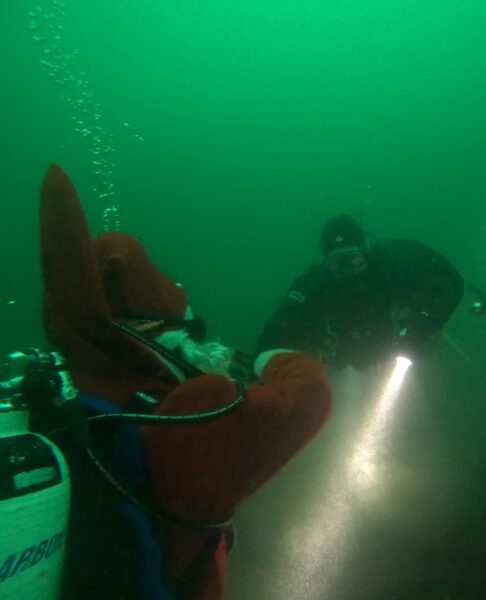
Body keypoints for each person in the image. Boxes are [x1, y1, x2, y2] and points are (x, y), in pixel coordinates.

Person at [39, 163, 333, 600]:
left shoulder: (56, 396)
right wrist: (271, 357)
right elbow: (311, 395)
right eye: (190, 328)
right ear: (159, 330)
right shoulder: (196, 409)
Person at [257, 214, 464, 370]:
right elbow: (280, 326)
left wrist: (426, 325)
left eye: (353, 258)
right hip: (348, 364)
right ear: (325, 262)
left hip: (407, 349)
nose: (346, 269)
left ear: (364, 252)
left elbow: (451, 280)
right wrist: (261, 365)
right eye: (336, 261)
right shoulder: (314, 285)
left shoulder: (392, 263)